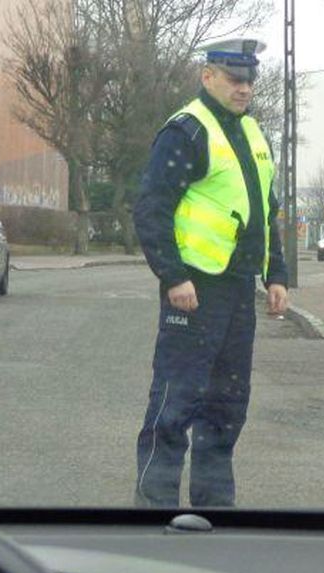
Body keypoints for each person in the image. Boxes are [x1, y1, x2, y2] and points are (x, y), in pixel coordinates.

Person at [132, 37, 290, 508]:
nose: (244, 89)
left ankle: (215, 509)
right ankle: (154, 505)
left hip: (239, 289)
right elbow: (151, 209)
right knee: (175, 402)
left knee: (226, 405)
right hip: (195, 288)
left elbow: (265, 210)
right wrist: (173, 276)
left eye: (250, 81)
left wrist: (276, 274)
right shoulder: (187, 130)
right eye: (234, 79)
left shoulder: (252, 133)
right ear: (208, 77)